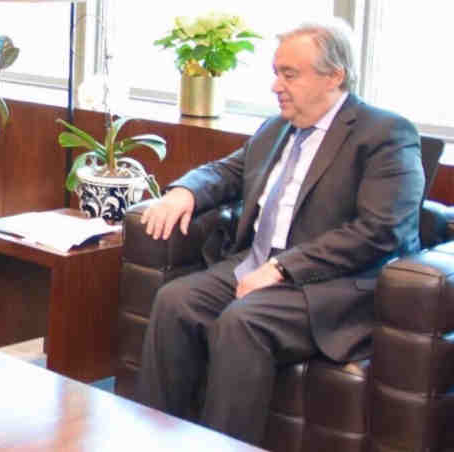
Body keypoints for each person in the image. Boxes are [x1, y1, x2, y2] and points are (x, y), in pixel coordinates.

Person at [136, 19, 424, 445]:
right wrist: (183, 193)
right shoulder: (276, 128)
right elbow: (226, 172)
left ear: (334, 77)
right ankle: (155, 436)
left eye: (289, 74)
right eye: (276, 72)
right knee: (175, 301)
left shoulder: (384, 133)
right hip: (257, 263)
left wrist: (283, 267)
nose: (275, 85)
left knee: (243, 322)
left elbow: (381, 229)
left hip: (331, 283)